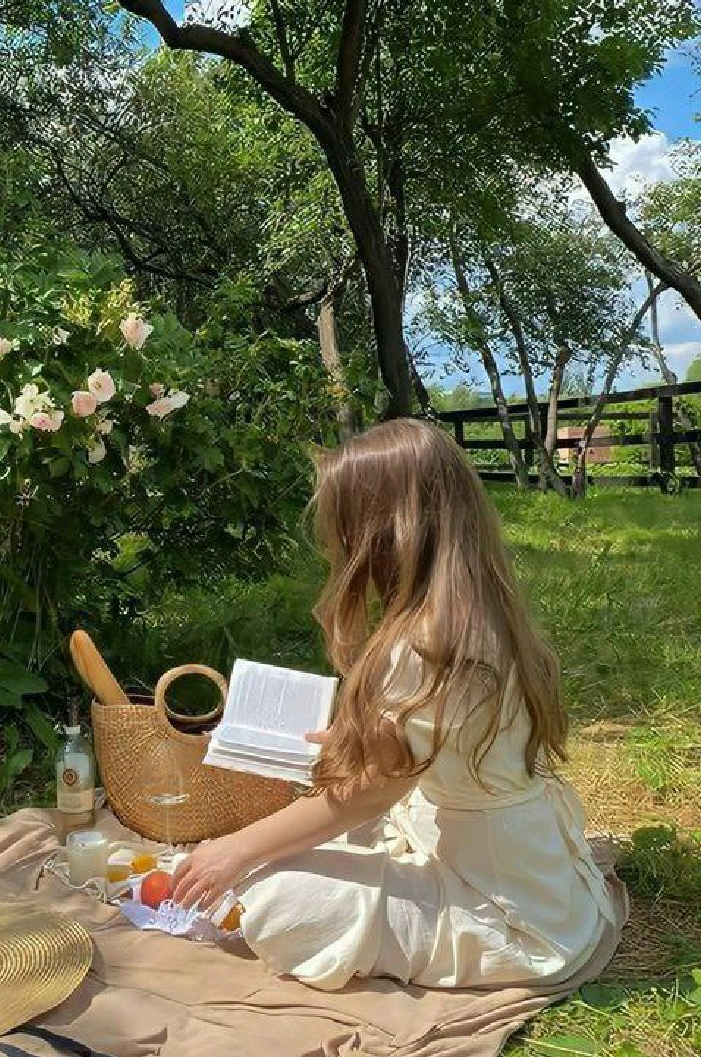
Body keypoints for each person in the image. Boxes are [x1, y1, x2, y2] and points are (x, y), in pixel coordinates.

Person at [172, 419, 616, 990]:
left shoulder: (427, 642)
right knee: (299, 847)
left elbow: (368, 794)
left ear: (381, 529)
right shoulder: (478, 607)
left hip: (504, 910)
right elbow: (427, 751)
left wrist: (233, 851)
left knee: (271, 894)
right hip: (519, 860)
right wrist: (359, 744)